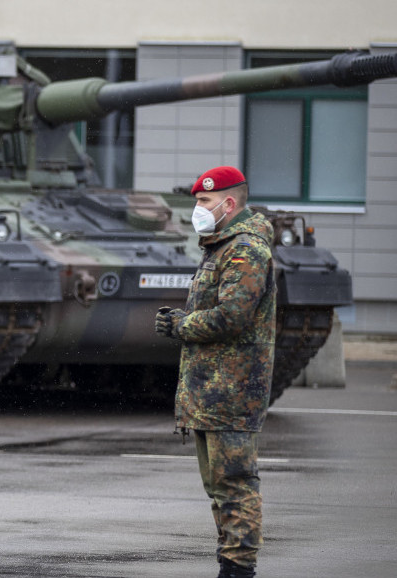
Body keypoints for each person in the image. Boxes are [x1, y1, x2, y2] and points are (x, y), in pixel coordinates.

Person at [154, 166, 276, 578]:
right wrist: (184, 319)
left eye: (204, 201)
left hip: (233, 390)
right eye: (196, 201)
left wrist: (181, 326)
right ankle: (230, 562)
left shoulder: (245, 249)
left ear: (228, 203)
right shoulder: (220, 246)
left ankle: (239, 569)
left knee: (236, 484)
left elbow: (232, 316)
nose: (197, 209)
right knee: (219, 487)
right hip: (211, 391)